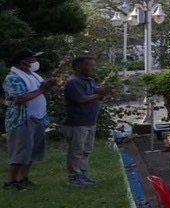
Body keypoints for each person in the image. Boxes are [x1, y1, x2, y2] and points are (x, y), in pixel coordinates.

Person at [5, 50, 52, 189]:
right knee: (20, 151)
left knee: (32, 151)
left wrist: (49, 86)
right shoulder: (13, 78)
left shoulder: (34, 76)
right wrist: (43, 90)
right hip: (22, 119)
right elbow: (20, 98)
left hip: (38, 117)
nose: (35, 62)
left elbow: (42, 89)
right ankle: (10, 181)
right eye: (32, 59)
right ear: (22, 62)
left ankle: (23, 178)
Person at [62, 56, 106, 187]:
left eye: (93, 65)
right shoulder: (73, 82)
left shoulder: (90, 80)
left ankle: (83, 174)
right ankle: (74, 177)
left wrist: (100, 93)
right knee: (76, 151)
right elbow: (80, 99)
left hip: (90, 121)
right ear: (78, 67)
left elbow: (93, 95)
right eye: (89, 65)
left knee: (86, 150)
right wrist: (99, 95)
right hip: (77, 122)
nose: (93, 68)